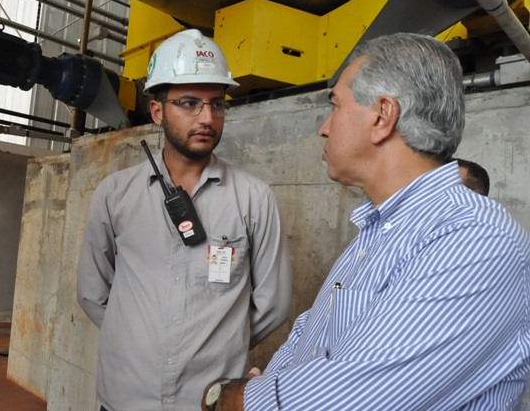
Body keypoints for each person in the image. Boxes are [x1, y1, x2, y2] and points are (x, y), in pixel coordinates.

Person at [201, 32, 530, 410]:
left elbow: (349, 399)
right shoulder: (379, 231)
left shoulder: (474, 237)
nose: (324, 127)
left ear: (382, 116)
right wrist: (272, 386)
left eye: (336, 106)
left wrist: (234, 398)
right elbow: (311, 334)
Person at [76, 29, 292, 411]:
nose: (207, 117)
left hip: (207, 400)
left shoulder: (254, 199)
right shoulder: (115, 194)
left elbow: (273, 304)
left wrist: (222, 346)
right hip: (126, 397)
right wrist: (138, 343)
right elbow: (93, 292)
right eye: (190, 103)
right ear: (158, 111)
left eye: (217, 104)